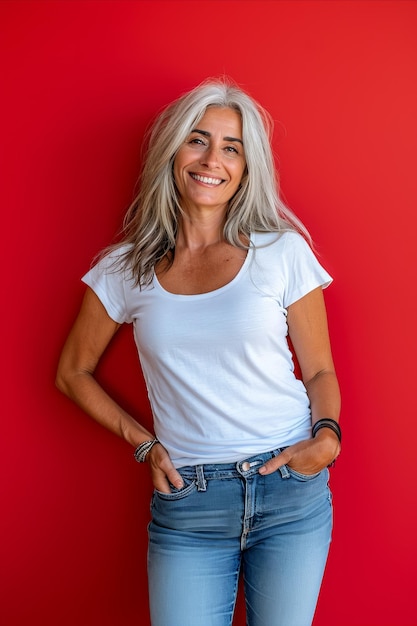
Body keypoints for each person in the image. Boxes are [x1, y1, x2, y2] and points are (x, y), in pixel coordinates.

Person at [56, 77, 341, 626]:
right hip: (190, 501)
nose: (213, 158)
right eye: (198, 139)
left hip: (290, 491)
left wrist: (327, 439)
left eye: (231, 147)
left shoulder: (281, 252)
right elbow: (72, 372)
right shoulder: (125, 268)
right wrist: (143, 445)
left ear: (246, 167)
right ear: (173, 151)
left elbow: (321, 369)